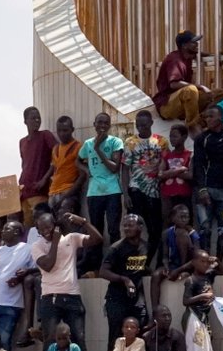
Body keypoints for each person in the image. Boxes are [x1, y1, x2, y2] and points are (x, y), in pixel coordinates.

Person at [31, 211, 102, 350]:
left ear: (55, 225)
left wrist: (83, 221)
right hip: (50, 298)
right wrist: (56, 242)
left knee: (78, 338)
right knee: (50, 339)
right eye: (41, 229)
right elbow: (48, 265)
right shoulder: (36, 246)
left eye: (48, 227)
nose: (45, 231)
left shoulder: (71, 239)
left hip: (72, 296)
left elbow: (97, 239)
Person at [77, 112, 124, 272]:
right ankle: (95, 265)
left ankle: (115, 264)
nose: (102, 126)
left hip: (112, 191)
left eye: (106, 123)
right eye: (100, 123)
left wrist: (98, 148)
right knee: (96, 230)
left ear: (109, 125)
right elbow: (78, 160)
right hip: (94, 192)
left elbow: (114, 168)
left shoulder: (115, 142)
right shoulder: (87, 143)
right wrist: (86, 170)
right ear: (94, 124)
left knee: (113, 229)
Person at [0, 221, 37, 351]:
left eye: (7, 229)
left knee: (4, 343)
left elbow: (37, 269)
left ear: (16, 232)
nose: (3, 231)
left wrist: (21, 277)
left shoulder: (28, 249)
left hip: (11, 304)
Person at [154, 30, 222, 135]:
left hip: (183, 102)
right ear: (184, 45)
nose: (197, 44)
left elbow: (199, 54)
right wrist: (200, 86)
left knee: (219, 94)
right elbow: (174, 83)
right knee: (191, 90)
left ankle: (202, 121)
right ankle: (192, 125)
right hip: (167, 105)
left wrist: (214, 56)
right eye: (193, 42)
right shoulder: (175, 59)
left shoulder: (187, 55)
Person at [99, 214, 150, 351]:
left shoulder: (146, 246)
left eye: (130, 225)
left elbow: (143, 268)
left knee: (140, 333)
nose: (127, 228)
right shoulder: (116, 248)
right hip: (116, 299)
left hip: (136, 299)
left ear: (140, 227)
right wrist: (124, 279)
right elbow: (103, 272)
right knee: (115, 337)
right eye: (125, 225)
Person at [193, 105, 223, 265]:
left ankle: (216, 263)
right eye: (207, 117)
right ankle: (204, 265)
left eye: (211, 116)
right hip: (205, 190)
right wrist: (202, 189)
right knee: (204, 229)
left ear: (220, 118)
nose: (208, 119)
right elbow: (198, 165)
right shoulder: (201, 139)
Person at [123, 110, 169, 260]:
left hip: (155, 192)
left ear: (151, 123)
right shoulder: (130, 142)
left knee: (155, 230)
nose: (141, 127)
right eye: (138, 125)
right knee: (133, 230)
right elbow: (125, 169)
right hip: (136, 190)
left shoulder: (161, 142)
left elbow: (165, 164)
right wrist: (126, 194)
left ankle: (147, 263)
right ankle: (132, 262)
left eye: (143, 124)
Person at [151, 204, 199, 309]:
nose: (184, 220)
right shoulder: (166, 233)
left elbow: (197, 257)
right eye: (181, 217)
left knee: (182, 234)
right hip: (173, 265)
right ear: (173, 218)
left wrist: (180, 270)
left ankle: (183, 272)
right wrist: (167, 267)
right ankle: (155, 311)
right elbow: (164, 255)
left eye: (186, 217)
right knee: (155, 275)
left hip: (188, 265)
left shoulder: (192, 233)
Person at [19, 107, 58, 227]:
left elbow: (58, 157)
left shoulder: (45, 135)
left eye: (38, 118)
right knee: (27, 228)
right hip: (25, 192)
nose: (37, 120)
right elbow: (24, 164)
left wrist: (44, 179)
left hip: (39, 191)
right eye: (33, 118)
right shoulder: (22, 142)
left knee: (41, 225)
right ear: (25, 121)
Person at [46, 116, 84, 211]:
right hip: (52, 193)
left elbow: (83, 175)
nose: (61, 134)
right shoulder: (55, 149)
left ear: (72, 130)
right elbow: (55, 169)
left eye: (65, 130)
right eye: (59, 131)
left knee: (67, 223)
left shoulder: (78, 147)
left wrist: (67, 195)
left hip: (68, 193)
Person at [159, 124, 193, 220]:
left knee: (184, 223)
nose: (171, 139)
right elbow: (160, 174)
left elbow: (190, 175)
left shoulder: (190, 154)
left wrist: (168, 173)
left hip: (184, 195)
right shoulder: (166, 155)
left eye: (175, 136)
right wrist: (180, 169)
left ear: (184, 137)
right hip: (168, 196)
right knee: (168, 222)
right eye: (170, 136)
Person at [182, 249, 218, 330]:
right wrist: (202, 296)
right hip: (193, 317)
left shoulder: (209, 275)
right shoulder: (191, 280)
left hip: (203, 317)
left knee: (206, 341)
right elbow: (185, 301)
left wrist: (217, 260)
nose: (205, 264)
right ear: (194, 263)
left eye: (207, 262)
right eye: (202, 261)